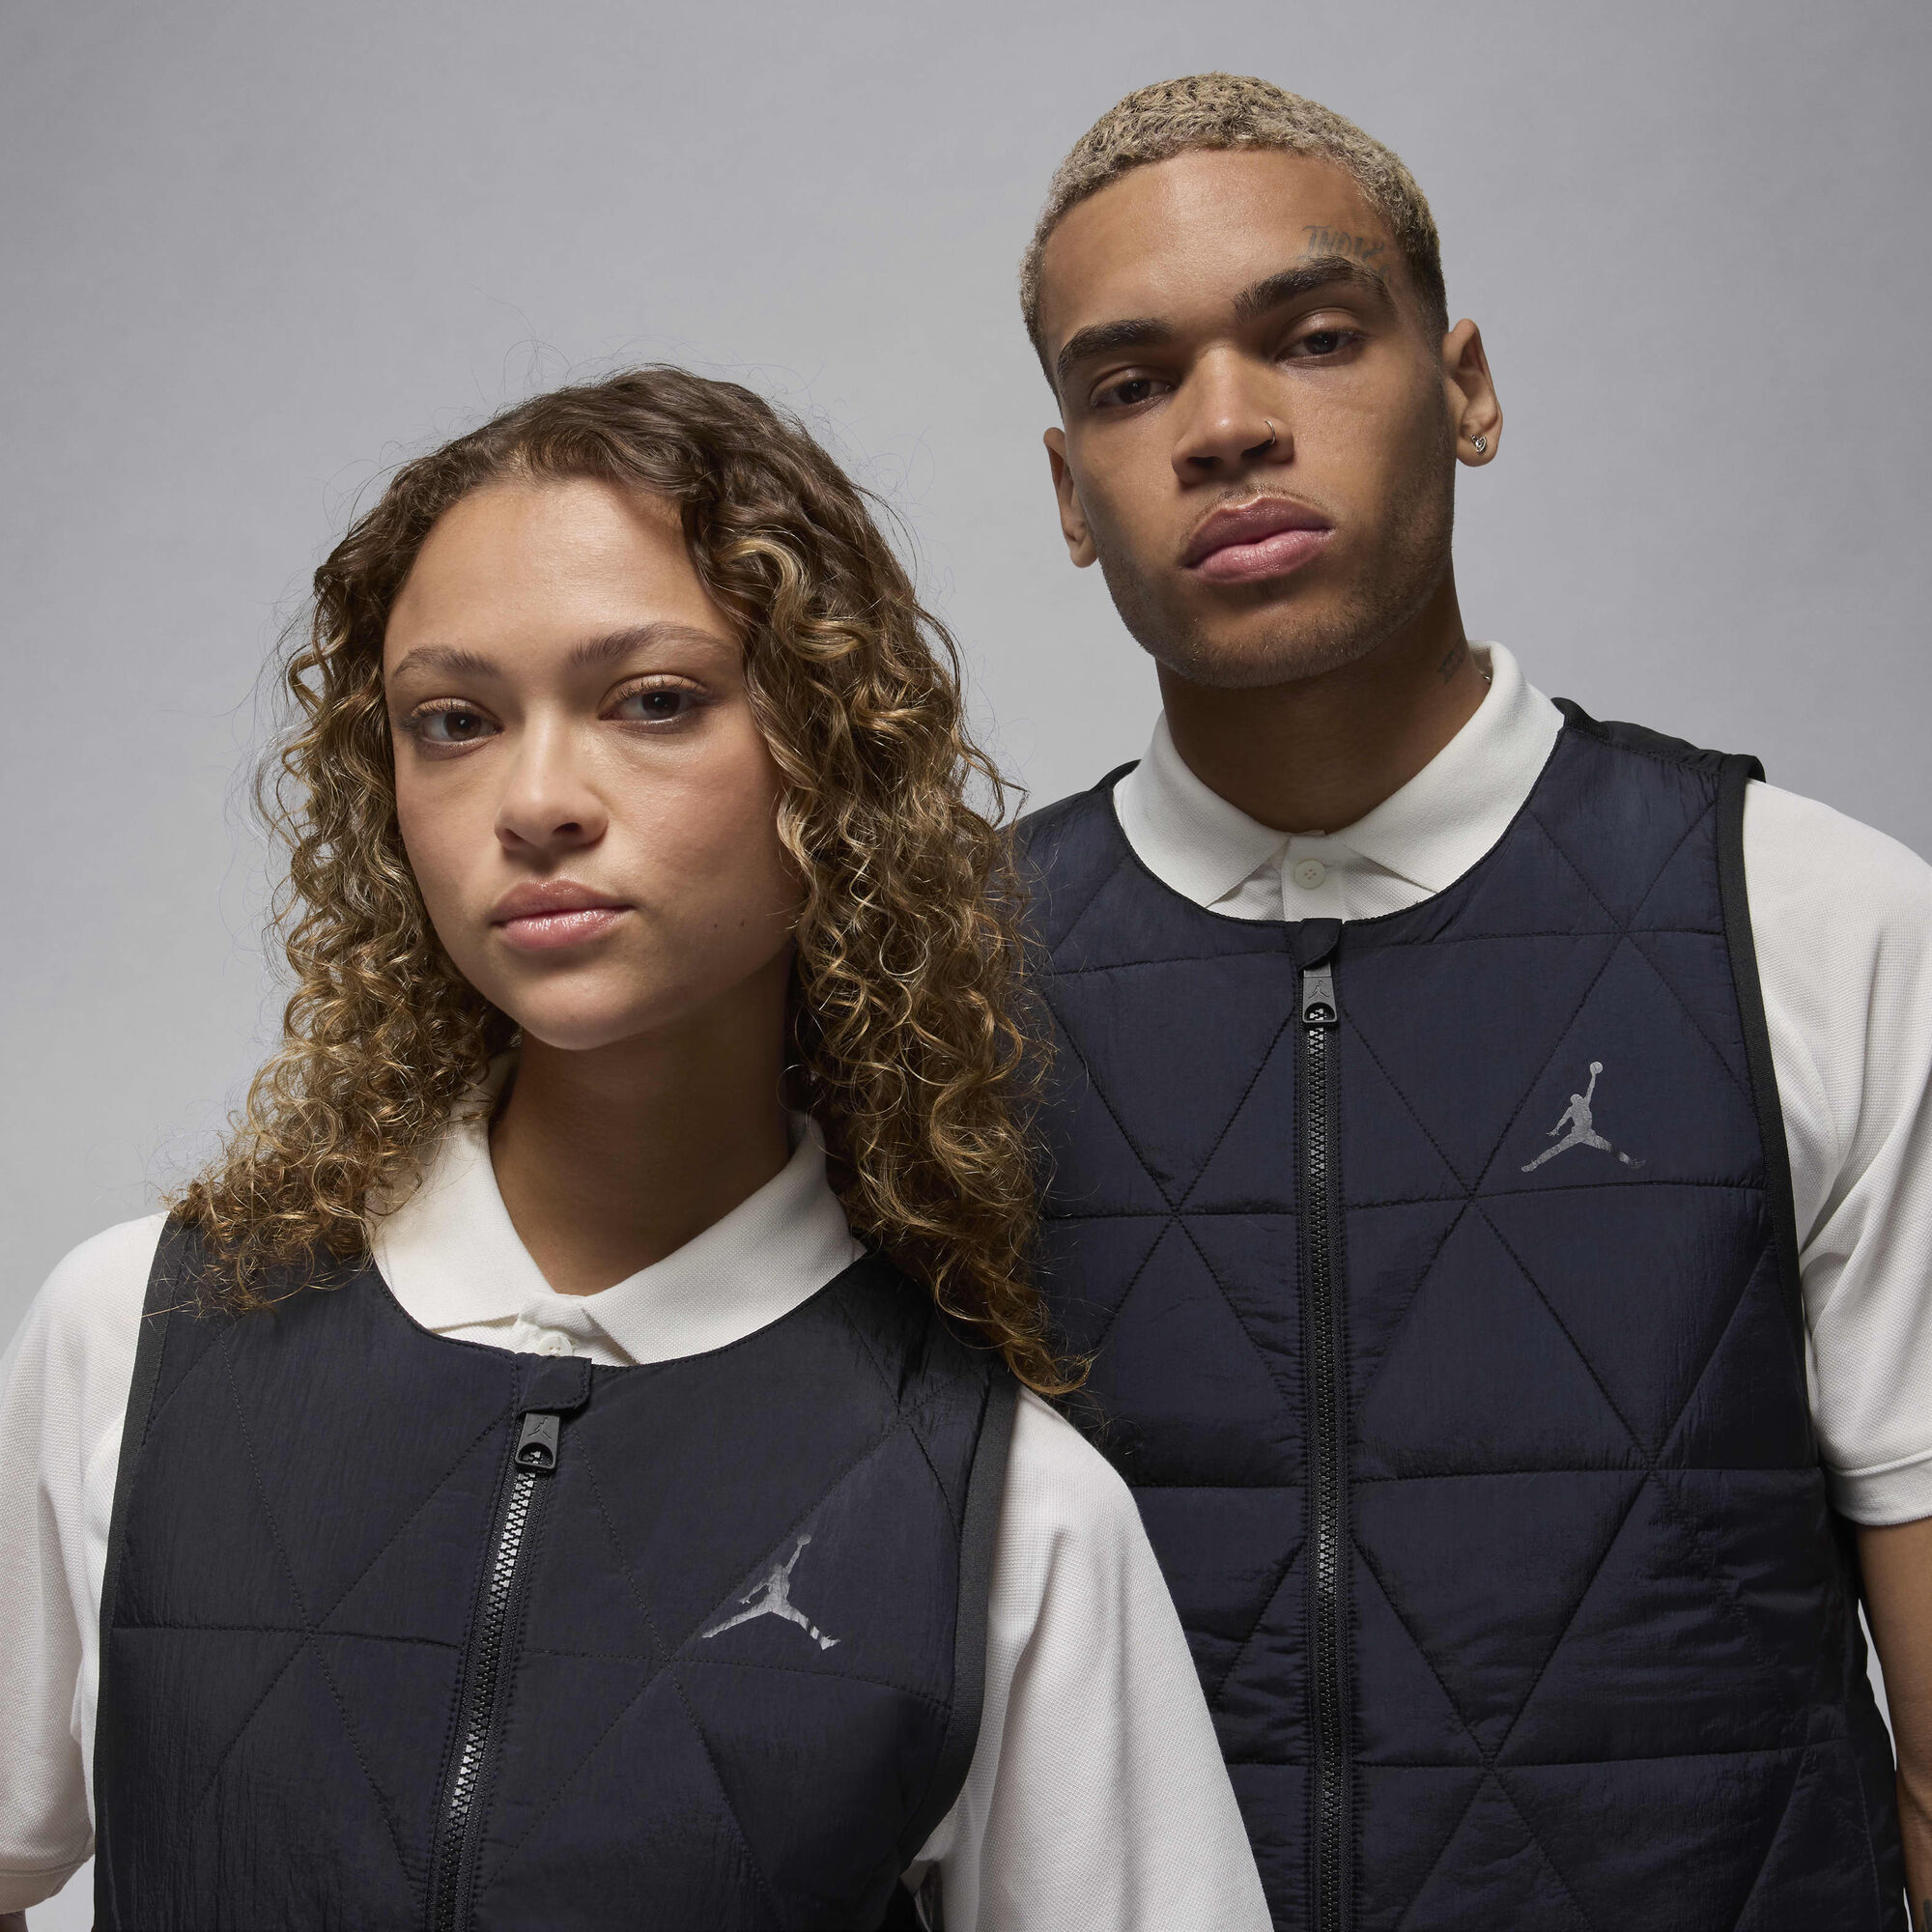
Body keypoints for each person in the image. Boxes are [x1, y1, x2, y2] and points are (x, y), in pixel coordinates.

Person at [0, 369, 1271, 1931]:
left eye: (653, 701)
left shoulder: (1007, 1511)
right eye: (453, 722)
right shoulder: (136, 1340)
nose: (537, 801)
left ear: (828, 759)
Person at [1014, 73, 1932, 1931]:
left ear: (1468, 389)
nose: (1227, 426)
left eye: (1314, 336)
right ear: (1070, 496)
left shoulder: (1812, 918)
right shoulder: (933, 994)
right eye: (1131, 382)